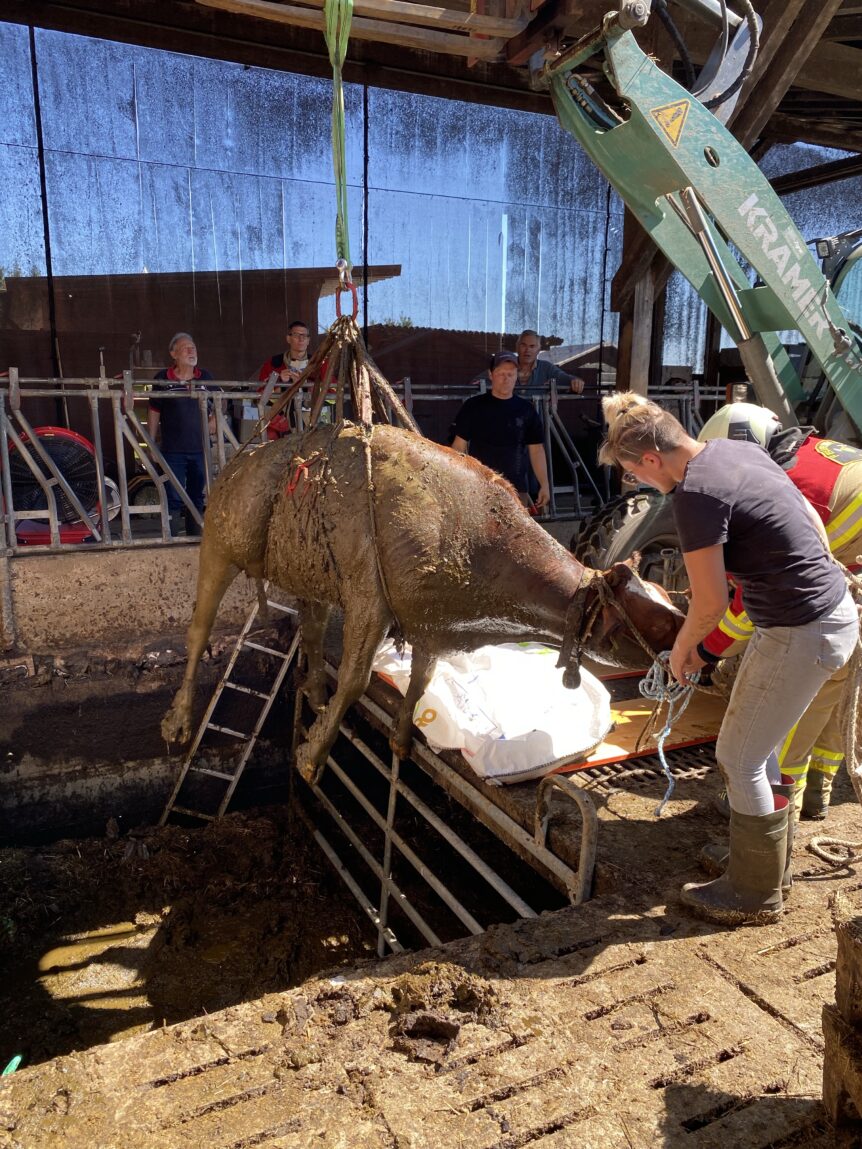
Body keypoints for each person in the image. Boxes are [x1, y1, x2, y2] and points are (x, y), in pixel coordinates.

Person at [599, 392, 858, 927]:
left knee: (737, 758)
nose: (644, 484)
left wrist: (685, 651)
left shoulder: (694, 495)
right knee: (755, 746)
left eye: (637, 475)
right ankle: (760, 861)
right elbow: (808, 512)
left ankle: (754, 893)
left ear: (651, 458)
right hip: (808, 614)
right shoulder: (730, 450)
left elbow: (711, 602)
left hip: (801, 629)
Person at [695, 403, 862, 825]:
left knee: (790, 712)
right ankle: (818, 794)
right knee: (838, 693)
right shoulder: (819, 453)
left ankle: (771, 820)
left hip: (834, 607)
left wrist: (709, 650)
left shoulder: (785, 487)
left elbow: (754, 595)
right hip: (850, 586)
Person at [452, 351, 550, 509]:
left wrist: (544, 485)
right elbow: (458, 447)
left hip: (516, 490)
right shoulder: (473, 406)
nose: (506, 379)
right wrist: (455, 481)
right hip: (480, 487)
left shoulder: (527, 410)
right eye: (501, 373)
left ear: (517, 375)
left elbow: (537, 450)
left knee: (517, 534)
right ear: (491, 375)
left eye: (511, 374)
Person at [147, 333, 216, 538]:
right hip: (173, 449)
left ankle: (195, 539)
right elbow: (154, 411)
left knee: (197, 495)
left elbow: (220, 401)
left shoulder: (205, 377)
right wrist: (150, 442)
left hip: (200, 448)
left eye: (193, 347)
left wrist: (214, 420)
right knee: (173, 496)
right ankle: (172, 539)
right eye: (185, 348)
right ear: (173, 354)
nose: (191, 351)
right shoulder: (162, 378)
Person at [470, 330, 587, 394]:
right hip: (507, 423)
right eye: (523, 345)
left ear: (538, 349)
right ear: (517, 347)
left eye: (532, 346)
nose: (527, 350)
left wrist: (576, 381)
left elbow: (566, 379)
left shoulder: (546, 368)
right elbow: (474, 383)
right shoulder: (506, 365)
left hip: (535, 424)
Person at [256, 320, 313, 439]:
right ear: (288, 338)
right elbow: (260, 397)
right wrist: (279, 383)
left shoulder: (319, 364)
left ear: (308, 340)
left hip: (313, 422)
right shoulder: (273, 364)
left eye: (304, 336)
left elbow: (332, 394)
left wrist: (306, 384)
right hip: (280, 424)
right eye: (296, 335)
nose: (301, 339)